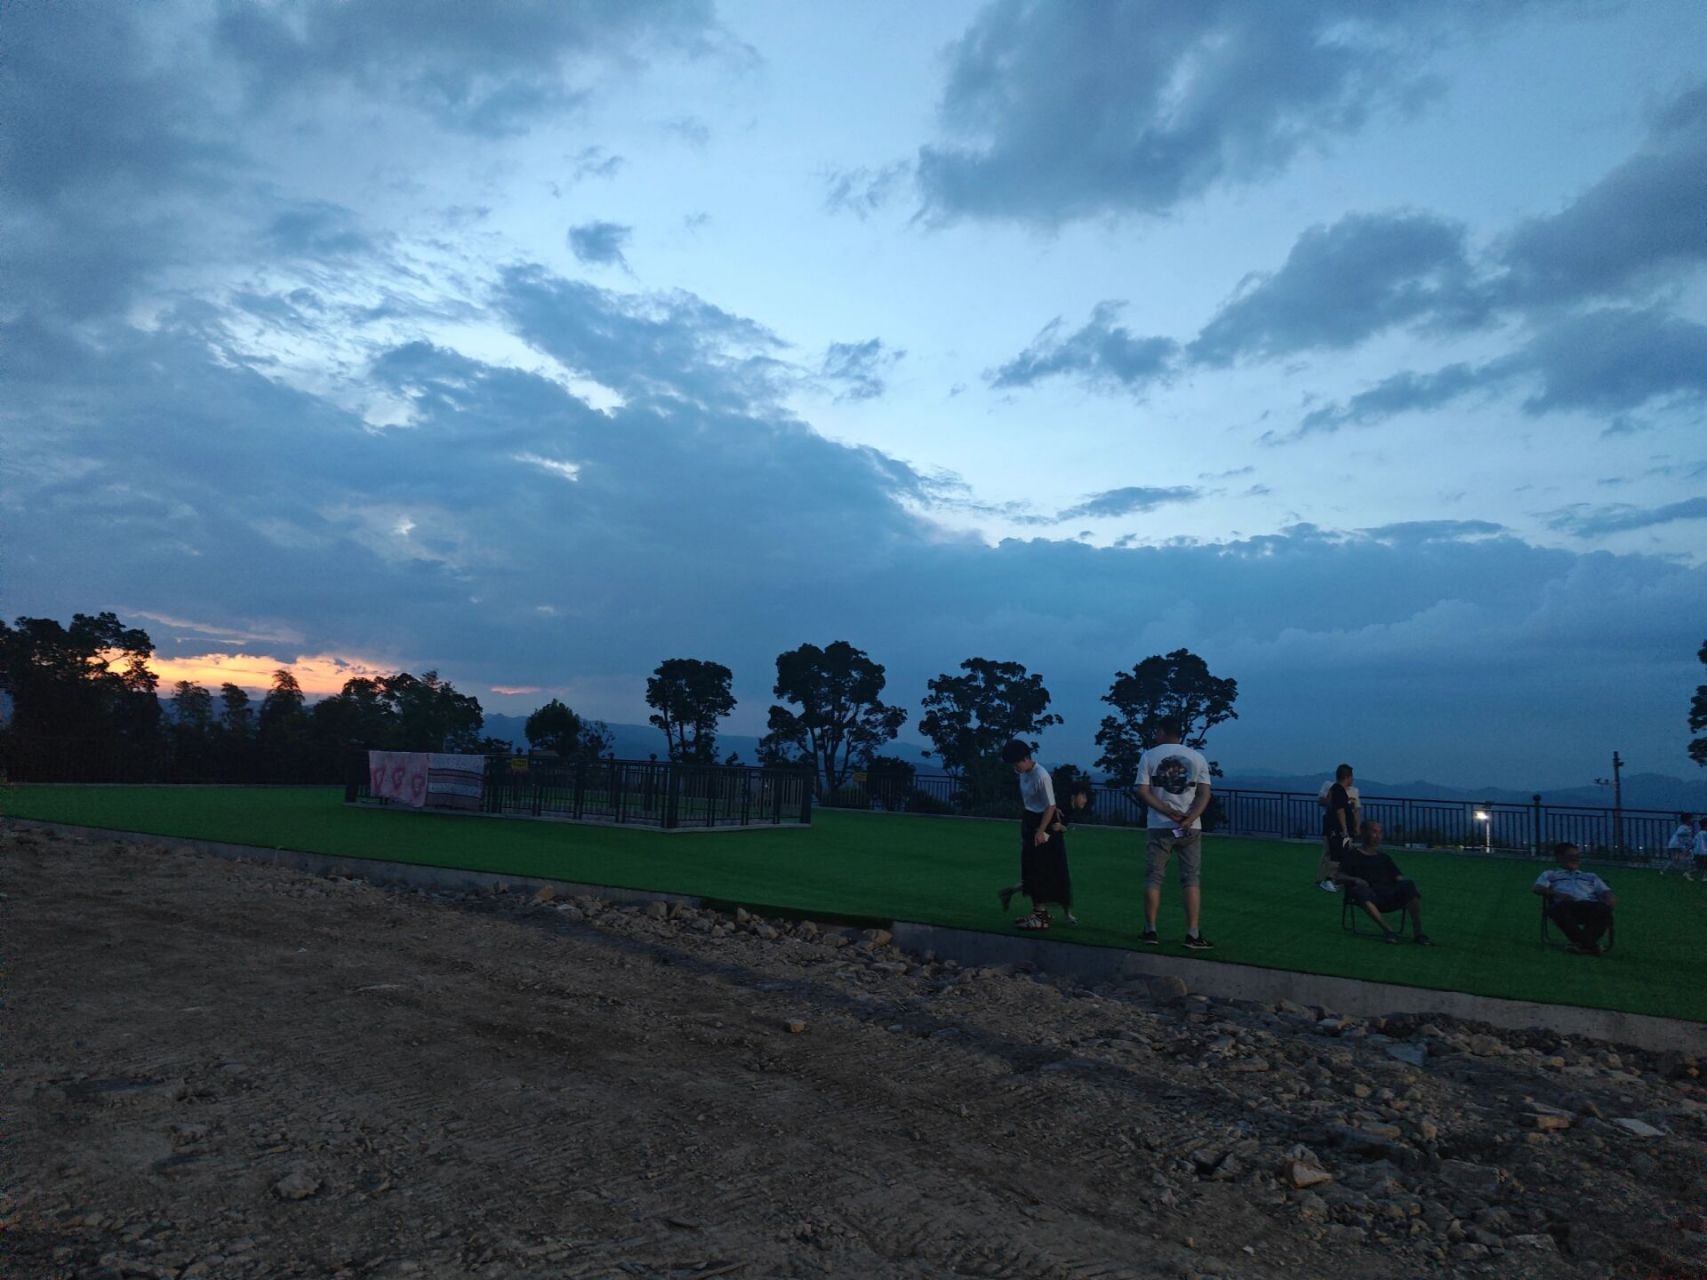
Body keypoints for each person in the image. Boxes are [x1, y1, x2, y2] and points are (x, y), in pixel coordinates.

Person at [1135, 718, 1214, 949]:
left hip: (1159, 825)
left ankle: (1150, 930)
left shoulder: (1149, 756)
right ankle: (1192, 933)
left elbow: (1142, 790)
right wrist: (1189, 817)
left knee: (1154, 878)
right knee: (1191, 879)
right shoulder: (1197, 758)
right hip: (1191, 827)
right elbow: (1204, 794)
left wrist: (1167, 811)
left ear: (1161, 731)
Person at [997, 739, 1072, 930]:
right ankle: (1038, 912)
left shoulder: (1041, 775)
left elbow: (1050, 805)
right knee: (1029, 868)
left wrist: (1041, 830)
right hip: (1030, 819)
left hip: (1043, 823)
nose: (1016, 768)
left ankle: (1041, 915)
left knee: (1041, 869)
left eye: (1017, 763)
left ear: (1025, 758)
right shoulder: (1022, 774)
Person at [1335, 820, 1431, 944]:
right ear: (1364, 833)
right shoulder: (1353, 855)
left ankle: (1418, 933)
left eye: (1380, 832)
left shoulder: (1384, 858)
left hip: (1387, 894)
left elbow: (1398, 878)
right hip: (1368, 894)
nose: (1377, 836)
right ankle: (1388, 931)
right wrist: (1356, 879)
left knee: (1409, 885)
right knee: (1360, 891)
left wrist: (1406, 888)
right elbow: (1338, 876)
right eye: (1374, 832)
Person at [1533, 842, 1616, 956]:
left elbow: (1606, 891)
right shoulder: (1551, 874)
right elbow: (1537, 888)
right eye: (1571, 856)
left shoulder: (1590, 876)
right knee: (1558, 908)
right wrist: (1558, 894)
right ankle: (1590, 946)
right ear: (1559, 858)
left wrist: (1610, 899)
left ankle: (1583, 945)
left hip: (1589, 907)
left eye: (1577, 856)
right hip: (1566, 906)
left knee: (1603, 909)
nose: (1575, 859)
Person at [1316, 763, 1360, 892]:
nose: (1352, 779)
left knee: (1341, 854)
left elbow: (1329, 804)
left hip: (1334, 828)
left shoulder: (1333, 789)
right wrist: (1345, 830)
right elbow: (1340, 811)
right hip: (1339, 830)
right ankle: (1328, 879)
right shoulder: (1340, 791)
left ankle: (1336, 879)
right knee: (1338, 854)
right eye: (1351, 777)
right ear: (1347, 777)